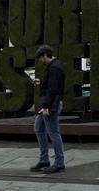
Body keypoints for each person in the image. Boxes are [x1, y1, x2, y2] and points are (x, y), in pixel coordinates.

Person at [30, 45, 65, 174]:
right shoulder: (53, 66)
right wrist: (41, 82)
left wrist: (45, 107)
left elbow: (53, 90)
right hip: (48, 102)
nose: (40, 61)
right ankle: (44, 160)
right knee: (39, 128)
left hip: (51, 104)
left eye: (40, 58)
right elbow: (50, 85)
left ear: (45, 55)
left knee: (53, 132)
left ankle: (59, 163)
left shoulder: (55, 67)